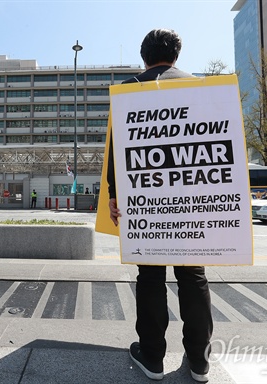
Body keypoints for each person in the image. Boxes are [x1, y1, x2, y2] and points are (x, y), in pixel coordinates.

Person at [106, 28, 213, 382]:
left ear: (144, 56)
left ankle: (152, 357)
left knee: (150, 276)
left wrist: (113, 193)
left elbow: (117, 148)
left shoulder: (130, 87)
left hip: (144, 196)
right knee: (192, 275)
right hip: (192, 198)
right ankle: (199, 359)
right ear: (176, 56)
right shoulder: (202, 88)